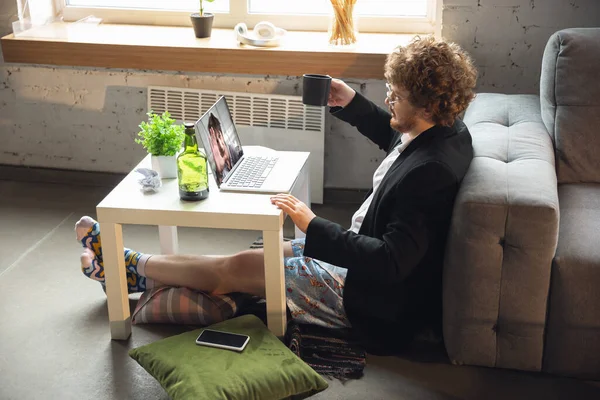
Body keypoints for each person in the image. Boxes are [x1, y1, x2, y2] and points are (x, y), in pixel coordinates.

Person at [76, 35, 477, 354]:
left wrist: (312, 225)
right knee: (241, 260)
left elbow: (392, 262)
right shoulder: (446, 132)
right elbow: (398, 141)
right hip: (351, 263)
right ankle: (128, 267)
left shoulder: (431, 174)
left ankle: (123, 266)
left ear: (425, 104)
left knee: (230, 272)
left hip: (363, 295)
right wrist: (352, 103)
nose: (389, 99)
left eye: (396, 95)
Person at [208, 113, 233, 185]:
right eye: (216, 141)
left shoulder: (232, 149)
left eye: (219, 136)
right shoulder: (216, 165)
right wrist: (220, 174)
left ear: (222, 134)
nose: (220, 144)